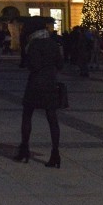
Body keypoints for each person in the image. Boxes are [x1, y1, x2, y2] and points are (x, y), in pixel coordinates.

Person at [14, 19, 64, 168]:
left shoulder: (33, 44)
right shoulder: (53, 43)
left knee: (27, 115)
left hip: (35, 83)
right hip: (51, 83)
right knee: (52, 118)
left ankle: (24, 150)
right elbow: (60, 65)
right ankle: (55, 153)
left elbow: (32, 65)